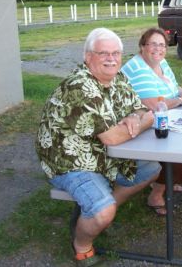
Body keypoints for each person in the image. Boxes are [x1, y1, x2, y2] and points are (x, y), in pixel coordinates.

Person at [35, 28, 161, 266]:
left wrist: (136, 117)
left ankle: (97, 212)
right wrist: (145, 121)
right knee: (103, 211)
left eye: (115, 53)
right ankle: (82, 244)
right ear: (87, 56)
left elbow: (141, 108)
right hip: (70, 161)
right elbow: (113, 138)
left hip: (103, 154)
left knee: (151, 169)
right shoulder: (80, 87)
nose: (111, 59)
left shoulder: (118, 77)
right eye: (103, 53)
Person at [121, 28, 182, 216]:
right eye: (153, 44)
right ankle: (157, 193)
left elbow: (172, 86)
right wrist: (180, 101)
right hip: (138, 123)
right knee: (180, 146)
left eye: (162, 45)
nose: (158, 49)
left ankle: (167, 180)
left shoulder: (160, 62)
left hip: (160, 118)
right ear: (142, 46)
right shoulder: (138, 68)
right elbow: (154, 104)